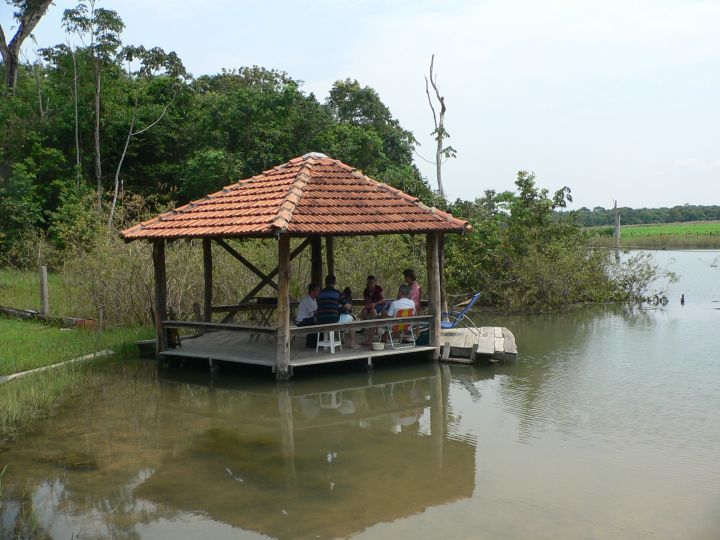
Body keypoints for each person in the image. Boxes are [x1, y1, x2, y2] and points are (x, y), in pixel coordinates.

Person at [317, 275, 358, 347]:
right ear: (334, 282)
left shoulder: (320, 293)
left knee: (335, 315)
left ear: (325, 283)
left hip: (320, 320)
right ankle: (353, 343)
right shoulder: (337, 293)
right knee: (352, 319)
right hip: (332, 319)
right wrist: (350, 306)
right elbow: (347, 307)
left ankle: (338, 339)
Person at [296, 283, 320, 348]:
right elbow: (315, 312)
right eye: (317, 290)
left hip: (308, 318)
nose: (318, 292)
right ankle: (311, 343)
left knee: (318, 320)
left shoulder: (314, 299)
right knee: (317, 321)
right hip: (301, 321)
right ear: (312, 291)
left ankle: (316, 341)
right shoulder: (307, 300)